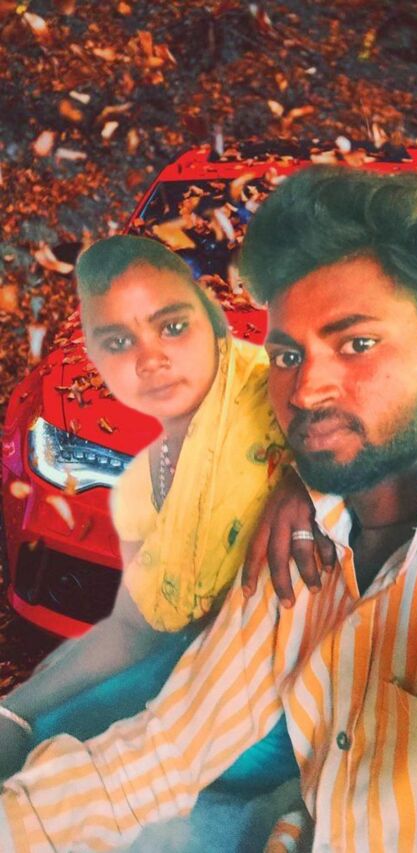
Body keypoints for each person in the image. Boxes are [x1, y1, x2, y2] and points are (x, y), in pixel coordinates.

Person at [1, 166, 417, 851]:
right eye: (288, 354)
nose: (306, 391)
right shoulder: (293, 557)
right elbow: (162, 752)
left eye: (357, 343)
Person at [0, 235, 331, 793]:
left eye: (172, 326)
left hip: (310, 712)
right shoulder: (140, 484)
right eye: (119, 340)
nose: (150, 357)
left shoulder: (285, 385)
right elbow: (138, 627)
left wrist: (305, 481)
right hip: (199, 700)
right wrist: (17, 713)